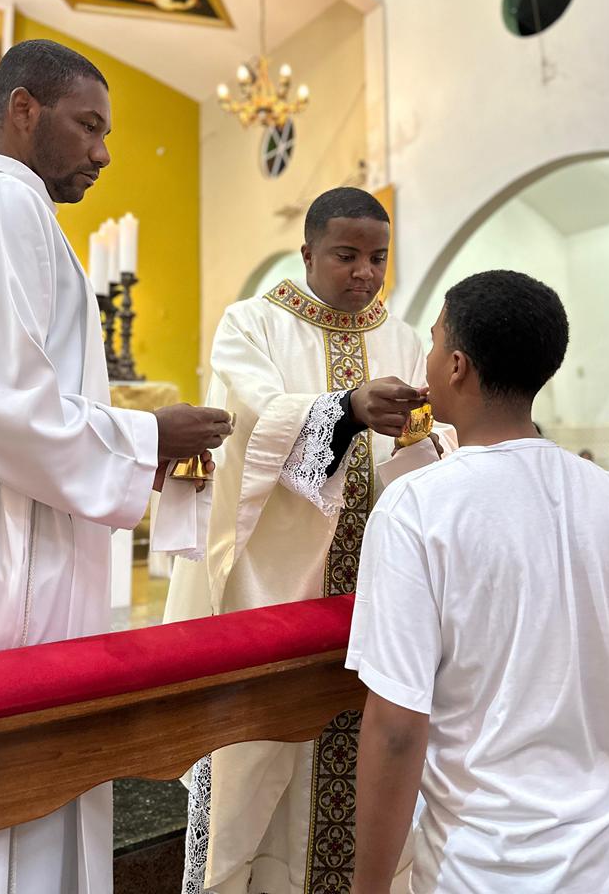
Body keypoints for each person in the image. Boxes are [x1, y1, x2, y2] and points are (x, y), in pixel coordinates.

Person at [0, 39, 232, 894]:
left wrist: (140, 447)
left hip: (13, 511)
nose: (104, 153)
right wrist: (145, 437)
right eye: (89, 126)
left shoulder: (13, 207)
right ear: (23, 110)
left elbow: (22, 395)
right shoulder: (3, 202)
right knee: (0, 798)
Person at [348, 269, 609, 894]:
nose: (427, 358)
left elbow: (397, 729)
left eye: (433, 342)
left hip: (490, 868)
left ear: (456, 367)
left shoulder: (415, 506)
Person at [165, 186, 456, 894]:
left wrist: (419, 433)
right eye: (346, 256)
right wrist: (347, 411)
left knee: (371, 751)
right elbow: (255, 424)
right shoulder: (253, 324)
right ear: (307, 253)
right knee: (256, 758)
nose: (365, 273)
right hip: (276, 588)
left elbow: (439, 440)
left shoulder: (404, 337)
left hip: (376, 594)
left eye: (378, 258)